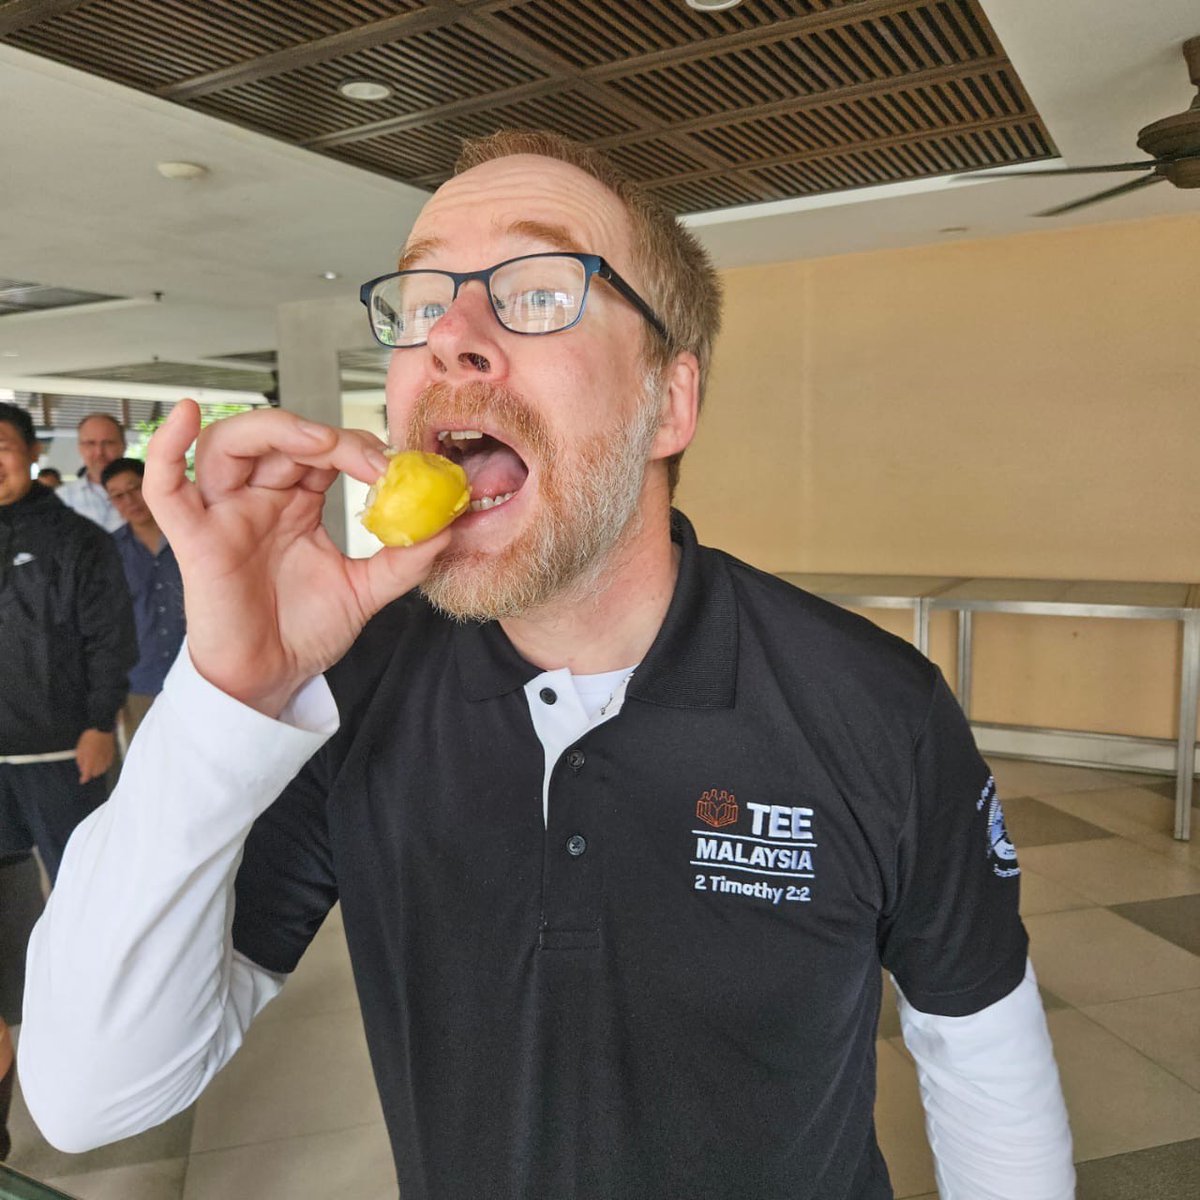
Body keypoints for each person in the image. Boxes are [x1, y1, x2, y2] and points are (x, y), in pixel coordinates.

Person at [19, 133, 1075, 1199]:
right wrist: (227, 691)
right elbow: (90, 1096)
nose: (451, 337)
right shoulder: (350, 691)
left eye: (537, 292)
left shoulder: (872, 702)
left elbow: (980, 1049)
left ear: (669, 402)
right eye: (424, 301)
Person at [0, 402, 136, 1161]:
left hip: (60, 753)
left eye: (2, 447)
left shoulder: (77, 540)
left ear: (29, 451)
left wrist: (97, 723)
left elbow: (110, 636)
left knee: (87, 896)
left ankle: (109, 1038)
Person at [101, 457, 185, 749]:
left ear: (150, 485)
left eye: (135, 488)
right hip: (140, 681)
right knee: (148, 761)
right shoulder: (109, 551)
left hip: (197, 677)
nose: (129, 501)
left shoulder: (189, 535)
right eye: (118, 496)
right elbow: (106, 624)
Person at [57, 413, 126, 532]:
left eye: (108, 443)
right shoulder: (62, 499)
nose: (99, 452)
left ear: (123, 446)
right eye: (90, 443)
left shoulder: (148, 493)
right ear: (80, 448)